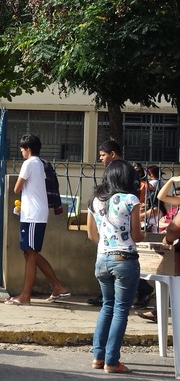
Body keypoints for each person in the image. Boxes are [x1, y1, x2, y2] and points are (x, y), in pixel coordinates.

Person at [86, 159, 145, 374]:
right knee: (121, 310)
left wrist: (107, 246)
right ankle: (112, 361)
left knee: (107, 306)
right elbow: (137, 235)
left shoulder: (95, 200)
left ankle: (98, 357)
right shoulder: (130, 199)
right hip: (124, 260)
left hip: (101, 259)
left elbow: (92, 235)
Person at [6, 134, 69, 306]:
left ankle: (26, 295)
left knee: (31, 253)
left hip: (33, 215)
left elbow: (17, 187)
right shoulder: (40, 163)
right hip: (33, 214)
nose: (21, 152)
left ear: (28, 149)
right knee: (30, 252)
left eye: (22, 149)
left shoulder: (30, 163)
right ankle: (57, 286)